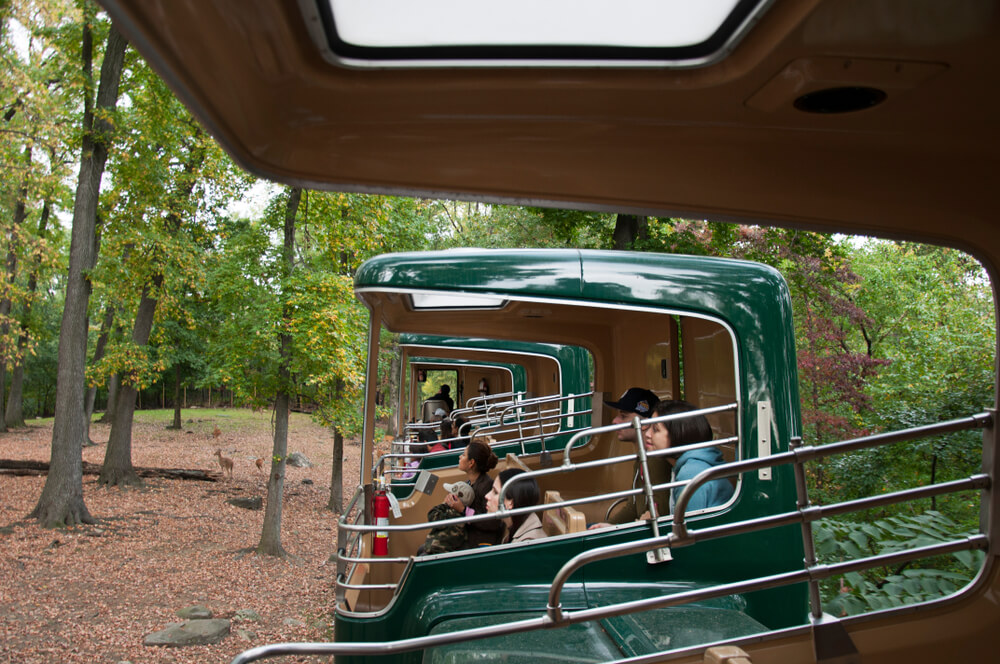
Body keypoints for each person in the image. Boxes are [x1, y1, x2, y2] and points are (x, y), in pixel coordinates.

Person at [643, 399, 734, 513]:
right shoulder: (690, 466)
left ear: (678, 433)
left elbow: (688, 528)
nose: (647, 434)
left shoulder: (691, 472)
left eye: (656, 429)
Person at [601, 387, 671, 525]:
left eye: (623, 416)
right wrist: (608, 527)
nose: (615, 421)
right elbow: (632, 508)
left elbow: (659, 513)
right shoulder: (642, 456)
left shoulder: (655, 460)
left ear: (644, 423)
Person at [445, 440, 504, 547]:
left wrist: (463, 510)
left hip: (480, 541)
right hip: (469, 534)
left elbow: (492, 522)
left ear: (471, 463)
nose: (460, 457)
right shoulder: (469, 483)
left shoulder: (487, 486)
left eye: (463, 455)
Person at [486, 468, 545, 544]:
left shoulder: (527, 544)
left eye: (495, 492)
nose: (487, 496)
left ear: (511, 503)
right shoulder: (512, 526)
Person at [417, 481, 475, 555]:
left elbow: (432, 516)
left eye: (449, 494)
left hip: (438, 551)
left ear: (454, 499)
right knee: (421, 550)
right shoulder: (459, 516)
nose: (447, 495)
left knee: (422, 555)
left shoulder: (452, 516)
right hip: (438, 548)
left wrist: (444, 504)